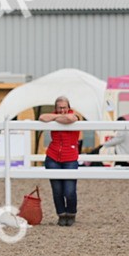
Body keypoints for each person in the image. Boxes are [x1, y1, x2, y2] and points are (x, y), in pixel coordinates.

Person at [39, 95, 83, 226]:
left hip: (70, 157)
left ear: (69, 107)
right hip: (53, 156)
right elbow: (42, 117)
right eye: (59, 108)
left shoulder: (74, 116)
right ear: (56, 108)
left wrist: (55, 118)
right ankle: (61, 214)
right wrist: (57, 117)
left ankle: (71, 213)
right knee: (57, 190)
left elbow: (70, 119)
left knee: (69, 190)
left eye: (64, 107)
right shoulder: (54, 115)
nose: (62, 110)